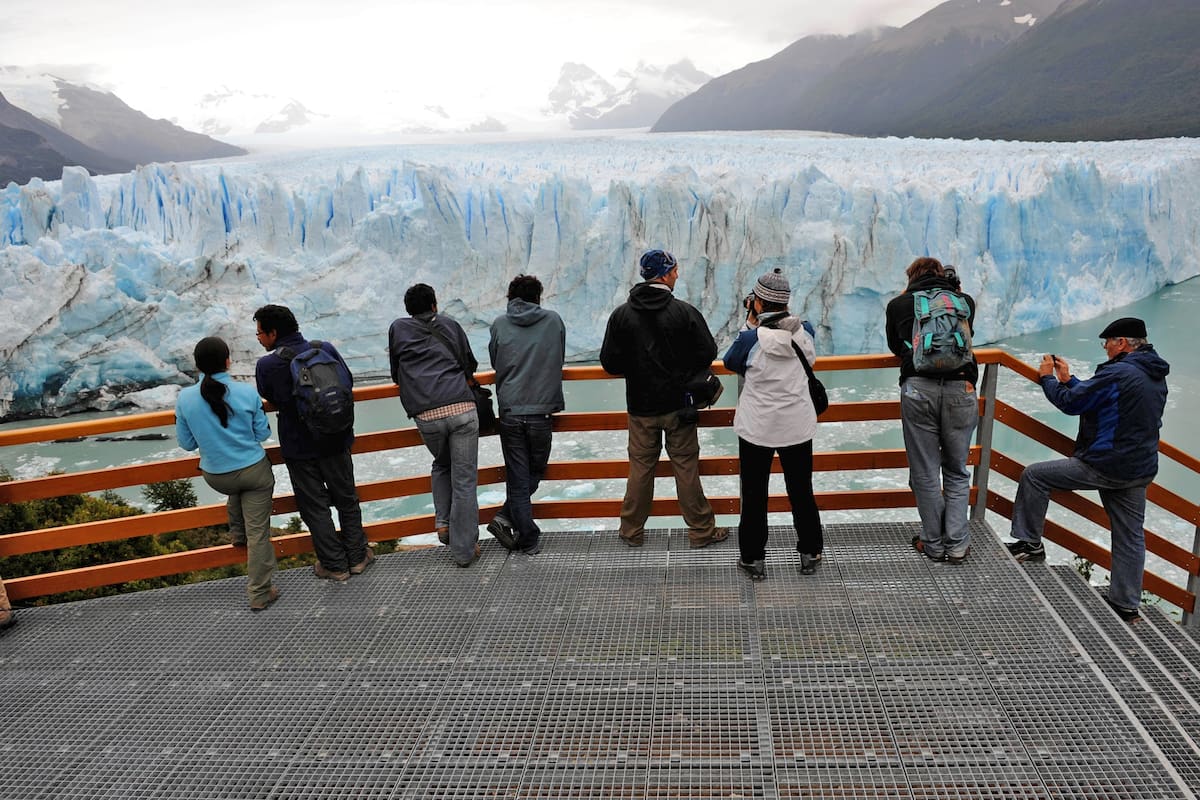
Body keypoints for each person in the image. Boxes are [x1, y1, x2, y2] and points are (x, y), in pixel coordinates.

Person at [1006, 317, 1170, 622]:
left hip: (1106, 464)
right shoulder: (1153, 372)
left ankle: (1029, 542)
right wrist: (1070, 379)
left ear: (1121, 343)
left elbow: (1071, 404)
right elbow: (1104, 400)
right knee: (1129, 536)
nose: (1105, 347)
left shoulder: (1118, 372)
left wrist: (1048, 379)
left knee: (1035, 475)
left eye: (1107, 342)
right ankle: (1125, 605)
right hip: (1139, 468)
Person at [599, 248, 727, 549]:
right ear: (666, 274)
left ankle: (631, 531)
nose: (678, 274)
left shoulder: (622, 315)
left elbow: (610, 363)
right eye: (675, 270)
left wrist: (637, 365)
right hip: (680, 406)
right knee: (685, 466)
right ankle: (701, 531)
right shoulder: (683, 311)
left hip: (641, 407)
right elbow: (708, 352)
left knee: (641, 468)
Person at [254, 304, 373, 582]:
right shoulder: (325, 350)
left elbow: (267, 393)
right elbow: (348, 381)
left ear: (273, 333)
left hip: (299, 447)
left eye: (260, 333)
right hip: (336, 437)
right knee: (346, 498)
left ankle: (335, 565)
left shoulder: (268, 365)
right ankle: (357, 557)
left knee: (314, 506)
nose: (259, 338)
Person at [723, 269, 823, 580]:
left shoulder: (750, 339)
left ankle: (753, 559)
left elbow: (731, 362)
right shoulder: (804, 331)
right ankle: (811, 552)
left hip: (758, 428)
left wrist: (749, 323)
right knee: (801, 491)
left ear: (758, 301)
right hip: (797, 425)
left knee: (754, 495)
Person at [885, 257, 978, 564]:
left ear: (911, 277)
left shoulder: (900, 305)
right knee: (956, 471)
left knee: (925, 472)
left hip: (918, 390)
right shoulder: (964, 302)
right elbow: (967, 338)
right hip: (961, 390)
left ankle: (934, 544)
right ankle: (958, 545)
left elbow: (895, 345)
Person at [176, 336, 279, 611]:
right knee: (260, 532)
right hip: (253, 472)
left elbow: (187, 443)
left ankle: (238, 534)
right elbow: (262, 434)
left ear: (197, 366)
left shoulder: (185, 398)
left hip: (216, 477)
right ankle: (259, 593)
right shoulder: (246, 393)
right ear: (227, 361)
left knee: (237, 490)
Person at [388, 283, 483, 567]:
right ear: (434, 305)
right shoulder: (450, 325)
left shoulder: (398, 329)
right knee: (464, 480)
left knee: (442, 464)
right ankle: (464, 551)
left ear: (407, 309)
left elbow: (396, 372)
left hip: (426, 414)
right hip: (462, 409)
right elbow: (470, 364)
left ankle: (443, 525)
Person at [486, 275, 566, 556]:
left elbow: (496, 359)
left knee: (518, 475)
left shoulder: (498, 324)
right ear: (538, 296)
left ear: (511, 297)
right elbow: (559, 356)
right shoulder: (553, 321)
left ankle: (506, 519)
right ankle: (525, 534)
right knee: (534, 471)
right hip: (541, 412)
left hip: (509, 411)